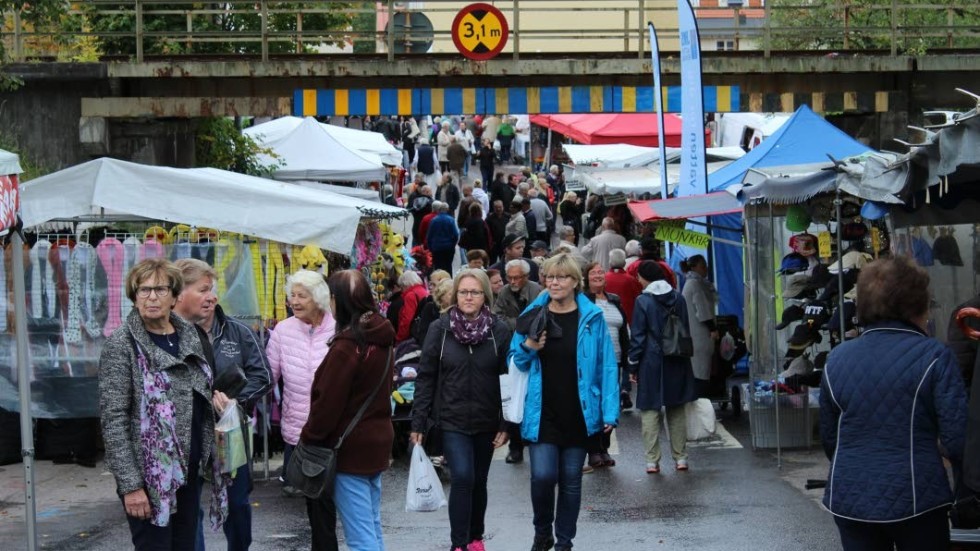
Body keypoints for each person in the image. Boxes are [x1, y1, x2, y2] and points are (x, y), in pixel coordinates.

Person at [820, 256, 967, 550]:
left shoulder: (836, 359)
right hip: (917, 495)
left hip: (849, 495)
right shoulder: (934, 356)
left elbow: (830, 438)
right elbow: (958, 438)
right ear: (916, 305)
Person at [99, 258, 227, 549]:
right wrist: (131, 486)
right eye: (143, 291)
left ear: (175, 296)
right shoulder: (123, 344)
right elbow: (114, 420)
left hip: (189, 472)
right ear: (134, 296)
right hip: (149, 480)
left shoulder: (190, 335)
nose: (152, 297)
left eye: (159, 289)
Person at [508, 253, 619, 551]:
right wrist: (529, 347)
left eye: (562, 277)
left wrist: (610, 410)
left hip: (579, 412)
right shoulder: (533, 313)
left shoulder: (591, 317)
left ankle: (565, 542)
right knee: (543, 476)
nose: (554, 282)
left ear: (575, 282)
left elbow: (606, 366)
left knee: (571, 481)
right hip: (541, 410)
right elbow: (514, 359)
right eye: (550, 277)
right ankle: (542, 530)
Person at [410, 270, 512, 551]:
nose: (469, 297)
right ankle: (459, 544)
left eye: (475, 292)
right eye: (464, 292)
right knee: (463, 477)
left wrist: (506, 424)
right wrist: (418, 422)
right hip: (452, 419)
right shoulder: (440, 329)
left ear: (485, 297)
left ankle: (476, 537)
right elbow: (426, 376)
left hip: (487, 419)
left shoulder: (499, 331)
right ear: (455, 295)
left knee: (479, 481)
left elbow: (508, 379)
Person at [175, 260, 271, 551]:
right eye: (203, 290)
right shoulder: (171, 337)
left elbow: (263, 375)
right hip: (189, 433)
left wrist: (235, 402)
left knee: (238, 502)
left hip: (230, 431)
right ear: (180, 294)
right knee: (189, 505)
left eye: (212, 289)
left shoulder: (238, 332)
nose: (212, 296)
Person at [302, 270, 395, 551]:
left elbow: (327, 404)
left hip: (349, 448)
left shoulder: (348, 346)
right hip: (377, 440)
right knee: (371, 526)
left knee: (360, 536)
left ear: (337, 301)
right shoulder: (381, 335)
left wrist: (310, 437)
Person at [267, 270, 336, 496]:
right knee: (296, 489)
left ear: (318, 298)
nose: (294, 301)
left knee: (328, 491)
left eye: (301, 296)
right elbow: (269, 374)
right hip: (296, 420)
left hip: (330, 423)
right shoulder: (282, 330)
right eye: (292, 295)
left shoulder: (338, 329)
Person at [628, 261, 696, 474]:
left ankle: (652, 460)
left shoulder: (643, 301)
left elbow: (638, 335)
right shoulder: (678, 298)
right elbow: (684, 327)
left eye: (639, 276)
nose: (638, 280)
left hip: (651, 359)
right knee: (676, 408)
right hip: (677, 356)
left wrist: (632, 364)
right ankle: (681, 457)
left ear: (646, 278)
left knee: (650, 409)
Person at [492, 258, 544, 465]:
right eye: (509, 277)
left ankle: (531, 440)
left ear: (526, 277)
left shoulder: (536, 290)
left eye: (517, 277)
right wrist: (519, 324)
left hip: (534, 348)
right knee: (512, 396)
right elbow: (498, 317)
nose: (512, 281)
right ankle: (515, 447)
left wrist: (518, 325)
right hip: (511, 348)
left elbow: (538, 319)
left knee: (530, 395)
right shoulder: (504, 292)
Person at [583, 262, 629, 470]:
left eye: (601, 272)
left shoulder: (614, 300)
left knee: (610, 404)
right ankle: (593, 449)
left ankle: (604, 448)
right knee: (594, 406)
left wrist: (629, 360)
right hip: (592, 362)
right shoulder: (582, 300)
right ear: (586, 278)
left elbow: (623, 330)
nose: (598, 275)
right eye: (593, 273)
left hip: (615, 361)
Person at [680, 255, 718, 397]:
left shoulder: (692, 283)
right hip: (700, 336)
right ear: (694, 267)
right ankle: (701, 407)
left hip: (694, 335)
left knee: (698, 372)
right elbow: (702, 311)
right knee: (701, 373)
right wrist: (713, 328)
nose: (706, 269)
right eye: (703, 266)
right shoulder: (695, 285)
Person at [604, 249, 642, 324]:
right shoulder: (632, 280)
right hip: (628, 319)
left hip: (607, 318)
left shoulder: (603, 279)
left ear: (610, 262)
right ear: (624, 263)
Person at [395, 270, 430, 343]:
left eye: (402, 287)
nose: (402, 291)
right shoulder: (423, 291)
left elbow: (407, 319)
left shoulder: (410, 295)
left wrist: (399, 339)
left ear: (406, 285)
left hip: (413, 336)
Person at [427, 202, 460, 274]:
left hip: (437, 247)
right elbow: (455, 234)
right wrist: (453, 244)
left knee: (438, 267)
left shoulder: (434, 220)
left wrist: (430, 247)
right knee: (448, 266)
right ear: (447, 209)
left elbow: (429, 235)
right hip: (448, 247)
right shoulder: (451, 220)